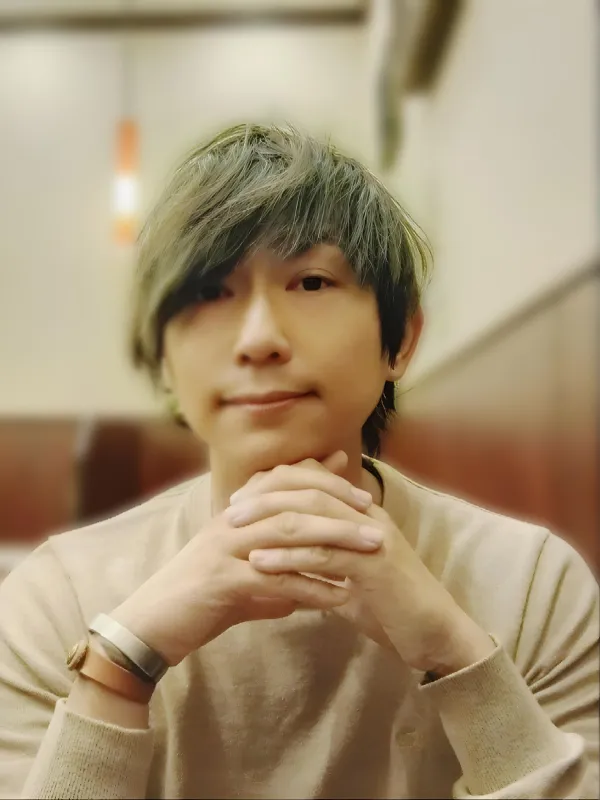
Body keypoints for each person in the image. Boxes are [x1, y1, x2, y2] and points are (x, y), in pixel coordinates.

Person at [0, 124, 597, 800]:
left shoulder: (532, 585)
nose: (259, 339)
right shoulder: (57, 599)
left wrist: (452, 650)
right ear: (163, 356)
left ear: (400, 339)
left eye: (311, 282)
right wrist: (121, 662)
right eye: (208, 291)